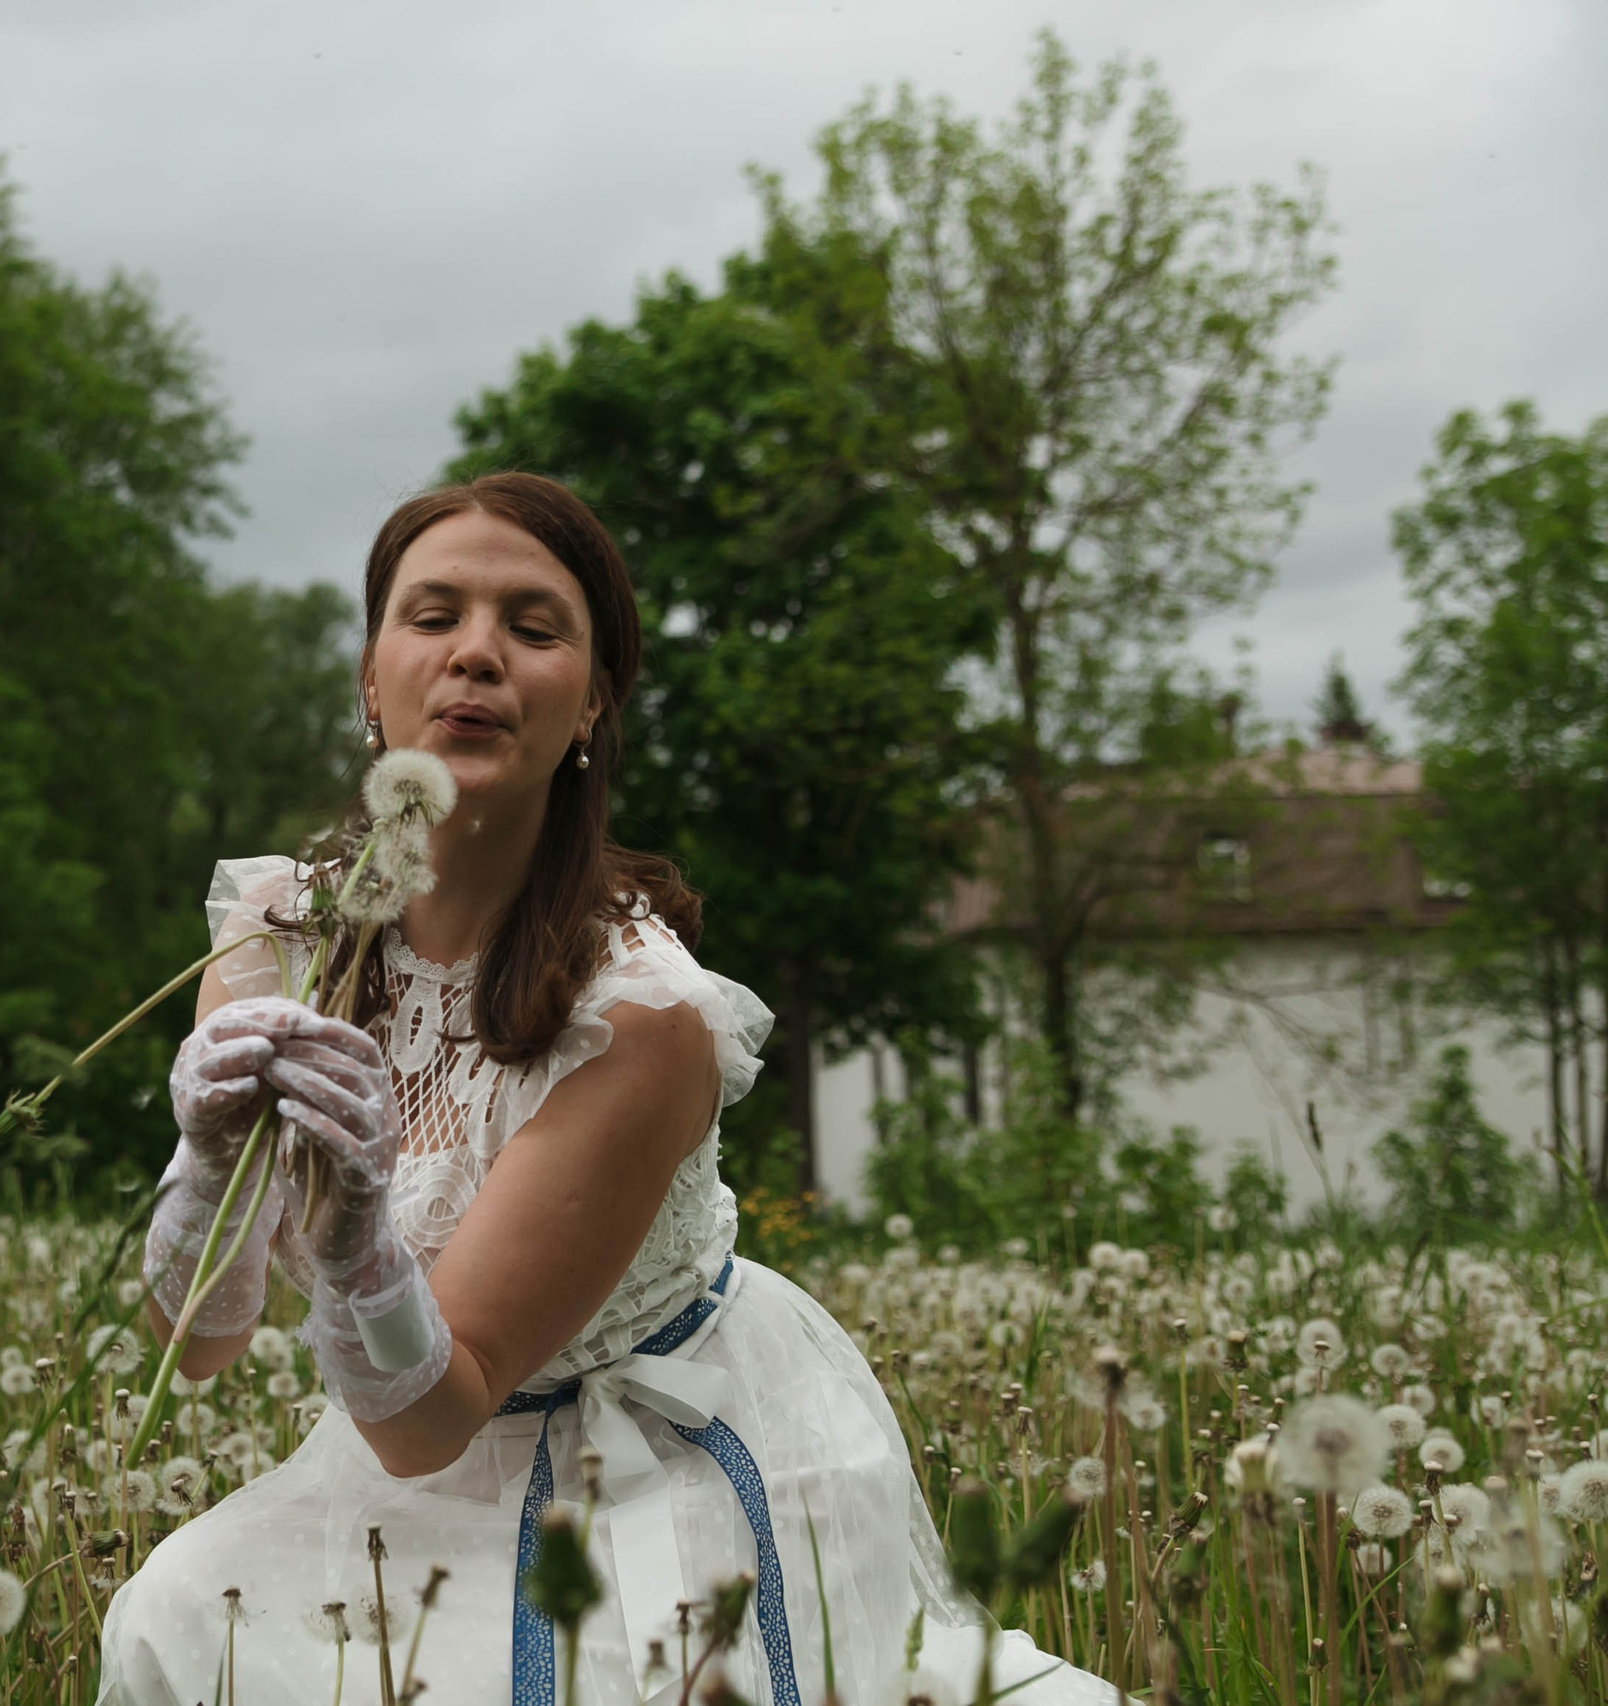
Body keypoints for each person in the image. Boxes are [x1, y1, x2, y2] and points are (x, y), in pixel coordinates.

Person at [98, 474, 1110, 1706]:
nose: (476, 652)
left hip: (637, 1468)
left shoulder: (639, 1020)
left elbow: (436, 1413)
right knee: (169, 1612)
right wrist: (205, 1163)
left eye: (533, 627)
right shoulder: (277, 937)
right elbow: (193, 1345)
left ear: (590, 701)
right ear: (373, 676)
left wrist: (360, 1235)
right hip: (397, 1481)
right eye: (432, 616)